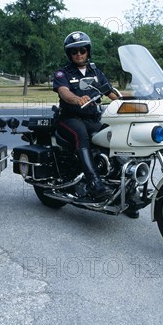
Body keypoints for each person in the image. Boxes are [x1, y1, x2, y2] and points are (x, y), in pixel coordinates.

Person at [53, 31, 119, 201]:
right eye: (74, 51)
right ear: (69, 54)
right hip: (70, 118)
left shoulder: (95, 71)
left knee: (113, 134)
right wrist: (77, 99)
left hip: (92, 118)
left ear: (88, 51)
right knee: (81, 135)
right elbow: (64, 92)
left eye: (82, 50)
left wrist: (129, 101)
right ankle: (94, 183)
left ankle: (123, 184)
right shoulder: (63, 73)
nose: (79, 54)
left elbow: (110, 91)